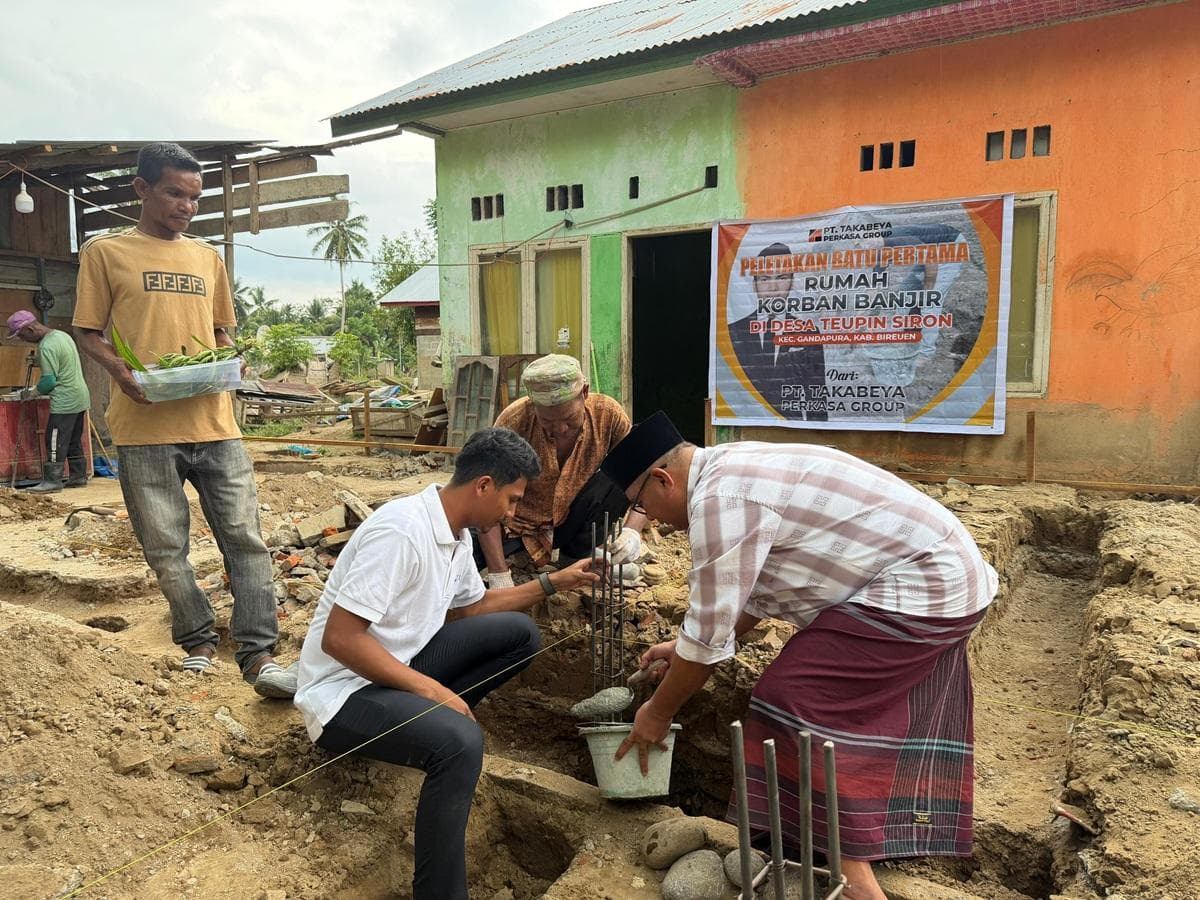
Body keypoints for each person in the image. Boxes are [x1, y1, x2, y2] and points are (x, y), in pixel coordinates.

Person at [603, 412, 998, 900]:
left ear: (663, 479)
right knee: (823, 704)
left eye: (643, 505)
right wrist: (682, 646)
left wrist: (657, 713)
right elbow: (749, 591)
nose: (651, 518)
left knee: (792, 700)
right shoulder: (728, 467)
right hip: (935, 574)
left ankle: (853, 878)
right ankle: (847, 833)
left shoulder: (721, 501)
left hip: (925, 589)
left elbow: (704, 646)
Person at [294, 427, 598, 900]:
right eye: (512, 500)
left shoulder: (454, 535)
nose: (512, 514)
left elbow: (472, 608)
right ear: (483, 486)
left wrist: (554, 583)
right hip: (342, 694)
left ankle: (424, 727)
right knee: (461, 744)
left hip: (396, 668)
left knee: (519, 634)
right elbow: (341, 639)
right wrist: (433, 691)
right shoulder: (401, 532)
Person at [72, 142, 294, 699]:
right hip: (143, 428)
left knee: (246, 541)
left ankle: (259, 655)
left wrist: (229, 359)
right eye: (175, 193)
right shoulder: (106, 252)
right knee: (166, 550)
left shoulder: (207, 258)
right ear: (141, 189)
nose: (186, 206)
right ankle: (197, 640)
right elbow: (88, 331)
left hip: (215, 425)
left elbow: (221, 330)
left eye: (194, 197)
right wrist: (121, 371)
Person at [475, 353, 647, 587]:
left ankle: (577, 556)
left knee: (617, 474)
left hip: (571, 519)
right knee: (466, 553)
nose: (561, 428)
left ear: (584, 393)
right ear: (533, 405)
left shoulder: (607, 414)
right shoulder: (514, 421)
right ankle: (514, 558)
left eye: (569, 417)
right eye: (547, 421)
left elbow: (643, 474)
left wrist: (633, 530)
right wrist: (499, 573)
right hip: (518, 526)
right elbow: (486, 498)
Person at [729, 242, 828, 421]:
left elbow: (817, 398)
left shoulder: (809, 332)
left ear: (792, 282)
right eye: (764, 279)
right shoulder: (733, 332)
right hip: (747, 425)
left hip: (790, 428)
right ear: (754, 285)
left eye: (781, 278)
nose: (773, 288)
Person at [6, 310, 91, 492]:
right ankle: (78, 476)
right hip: (80, 396)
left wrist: (31, 393)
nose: (22, 339)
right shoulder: (62, 336)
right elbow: (62, 361)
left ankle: (52, 481)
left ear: (30, 329)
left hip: (65, 401)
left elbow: (49, 382)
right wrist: (39, 361)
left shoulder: (46, 346)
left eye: (21, 335)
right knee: (73, 439)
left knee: (53, 440)